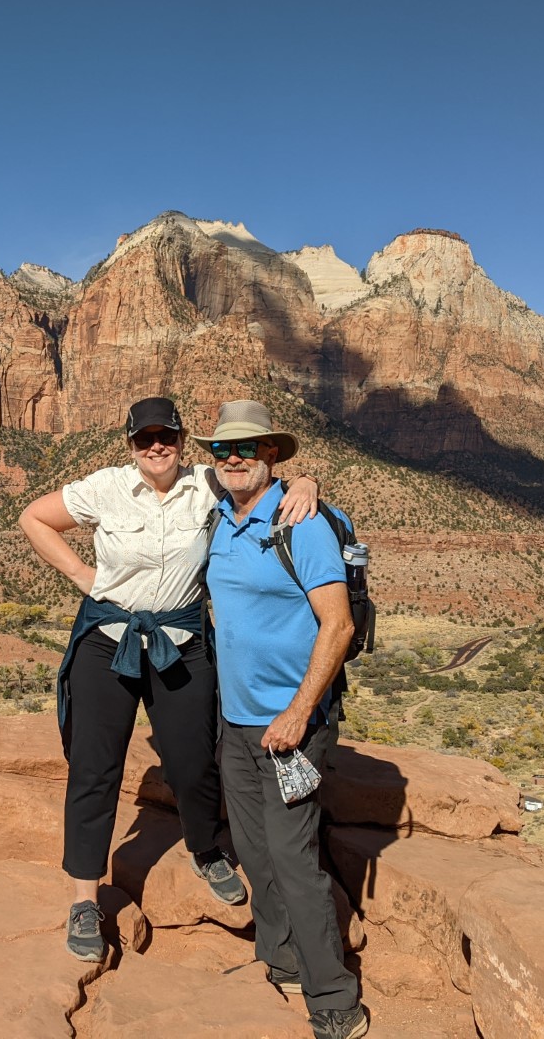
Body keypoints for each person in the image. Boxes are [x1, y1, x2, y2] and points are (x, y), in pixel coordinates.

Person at [18, 396, 318, 963]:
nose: (157, 446)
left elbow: (256, 475)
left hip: (179, 640)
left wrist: (306, 479)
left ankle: (206, 850)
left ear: (183, 440)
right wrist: (83, 575)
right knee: (94, 766)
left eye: (168, 436)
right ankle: (85, 898)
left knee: (193, 761)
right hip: (107, 639)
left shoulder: (208, 482)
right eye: (144, 438)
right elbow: (33, 516)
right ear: (130, 445)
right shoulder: (105, 487)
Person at [195, 399, 368, 1039]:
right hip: (236, 724)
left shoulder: (304, 523)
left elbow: (339, 624)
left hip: (294, 727)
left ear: (272, 453)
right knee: (255, 848)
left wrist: (299, 712)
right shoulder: (217, 516)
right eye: (222, 450)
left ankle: (335, 1000)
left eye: (247, 447)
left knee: (295, 858)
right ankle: (283, 961)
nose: (233, 458)